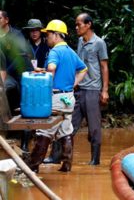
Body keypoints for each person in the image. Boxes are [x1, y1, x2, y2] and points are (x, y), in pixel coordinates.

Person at [27, 20, 87, 173]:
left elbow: (52, 68)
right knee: (65, 130)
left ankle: (32, 167)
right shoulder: (70, 51)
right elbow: (83, 69)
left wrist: (46, 79)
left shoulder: (54, 52)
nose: (46, 38)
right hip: (68, 98)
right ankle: (66, 165)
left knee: (44, 131)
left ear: (55, 34)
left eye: (48, 35)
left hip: (56, 98)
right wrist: (73, 84)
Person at [71, 13, 109, 165]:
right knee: (70, 124)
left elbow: (104, 66)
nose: (76, 27)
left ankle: (95, 160)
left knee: (94, 126)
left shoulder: (99, 43)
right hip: (79, 89)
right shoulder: (80, 41)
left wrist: (105, 90)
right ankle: (61, 156)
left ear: (88, 25)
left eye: (79, 24)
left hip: (93, 89)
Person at [0, 10, 34, 152]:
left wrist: (5, 72)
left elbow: (20, 57)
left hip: (19, 72)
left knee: (25, 105)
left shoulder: (16, 35)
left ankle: (25, 143)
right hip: (5, 72)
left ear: (6, 20)